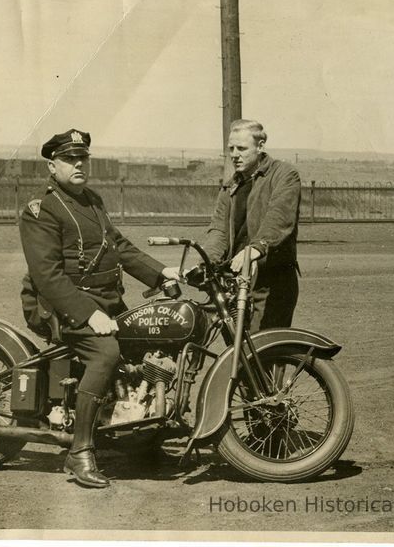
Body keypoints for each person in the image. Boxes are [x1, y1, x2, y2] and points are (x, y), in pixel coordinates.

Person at [19, 128, 180, 488]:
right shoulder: (39, 210)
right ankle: (79, 452)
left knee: (147, 341)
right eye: (69, 159)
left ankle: (142, 438)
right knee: (105, 354)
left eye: (82, 158)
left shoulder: (92, 200)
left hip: (105, 302)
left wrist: (159, 274)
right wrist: (88, 314)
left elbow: (119, 247)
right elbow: (47, 276)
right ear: (51, 165)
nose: (78, 164)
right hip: (59, 306)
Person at [203, 119, 301, 331]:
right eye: (231, 148)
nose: (235, 154)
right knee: (238, 354)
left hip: (271, 281)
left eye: (242, 148)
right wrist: (206, 260)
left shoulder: (283, 175)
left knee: (264, 353)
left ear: (260, 146)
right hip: (236, 283)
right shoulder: (231, 185)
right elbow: (219, 228)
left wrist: (256, 248)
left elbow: (279, 217)